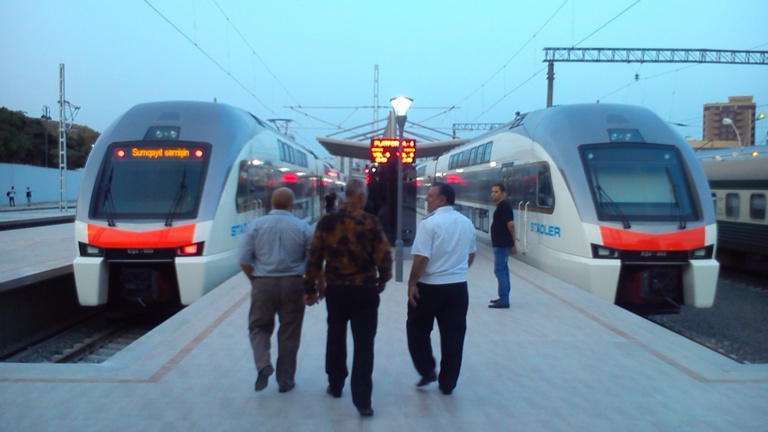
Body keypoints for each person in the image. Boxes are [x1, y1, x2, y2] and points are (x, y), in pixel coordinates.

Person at [304, 178, 392, 417]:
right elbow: (384, 256)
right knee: (364, 345)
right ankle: (363, 401)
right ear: (361, 197)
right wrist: (383, 278)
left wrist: (309, 287)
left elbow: (314, 256)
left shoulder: (326, 221)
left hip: (336, 291)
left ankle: (335, 385)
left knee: (335, 337)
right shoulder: (370, 222)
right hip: (364, 291)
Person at [238, 187, 314, 394]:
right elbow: (312, 261)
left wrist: (254, 280)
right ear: (292, 204)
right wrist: (311, 286)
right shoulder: (303, 227)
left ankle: (263, 363)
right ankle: (285, 381)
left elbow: (244, 260)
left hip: (263, 283)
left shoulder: (255, 226)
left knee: (258, 327)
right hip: (294, 284)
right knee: (289, 333)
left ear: (271, 203)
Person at [407, 182, 476, 396]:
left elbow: (421, 258)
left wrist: (412, 283)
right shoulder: (466, 223)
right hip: (458, 289)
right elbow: (471, 254)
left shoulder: (429, 224)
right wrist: (456, 271)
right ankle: (448, 383)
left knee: (417, 328)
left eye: (430, 196)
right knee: (454, 335)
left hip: (429, 287)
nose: (426, 199)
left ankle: (427, 369)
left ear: (442, 200)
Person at [489, 183, 517, 309]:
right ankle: (503, 297)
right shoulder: (501, 206)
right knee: (503, 270)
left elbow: (510, 224)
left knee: (500, 270)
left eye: (496, 192)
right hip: (500, 243)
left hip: (502, 244)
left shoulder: (504, 206)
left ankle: (504, 299)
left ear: (503, 193)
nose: (493, 194)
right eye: (492, 192)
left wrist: (513, 240)